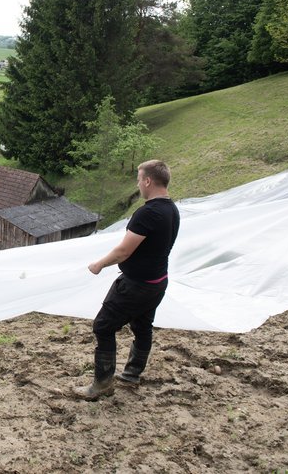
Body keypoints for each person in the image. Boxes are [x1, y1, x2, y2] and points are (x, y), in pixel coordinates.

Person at [73, 160, 180, 400]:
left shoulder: (147, 213)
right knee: (142, 327)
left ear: (148, 181)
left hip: (136, 285)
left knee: (103, 326)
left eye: (139, 179)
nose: (138, 184)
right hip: (158, 282)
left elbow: (124, 251)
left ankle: (102, 384)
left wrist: (99, 264)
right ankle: (132, 374)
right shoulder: (171, 209)